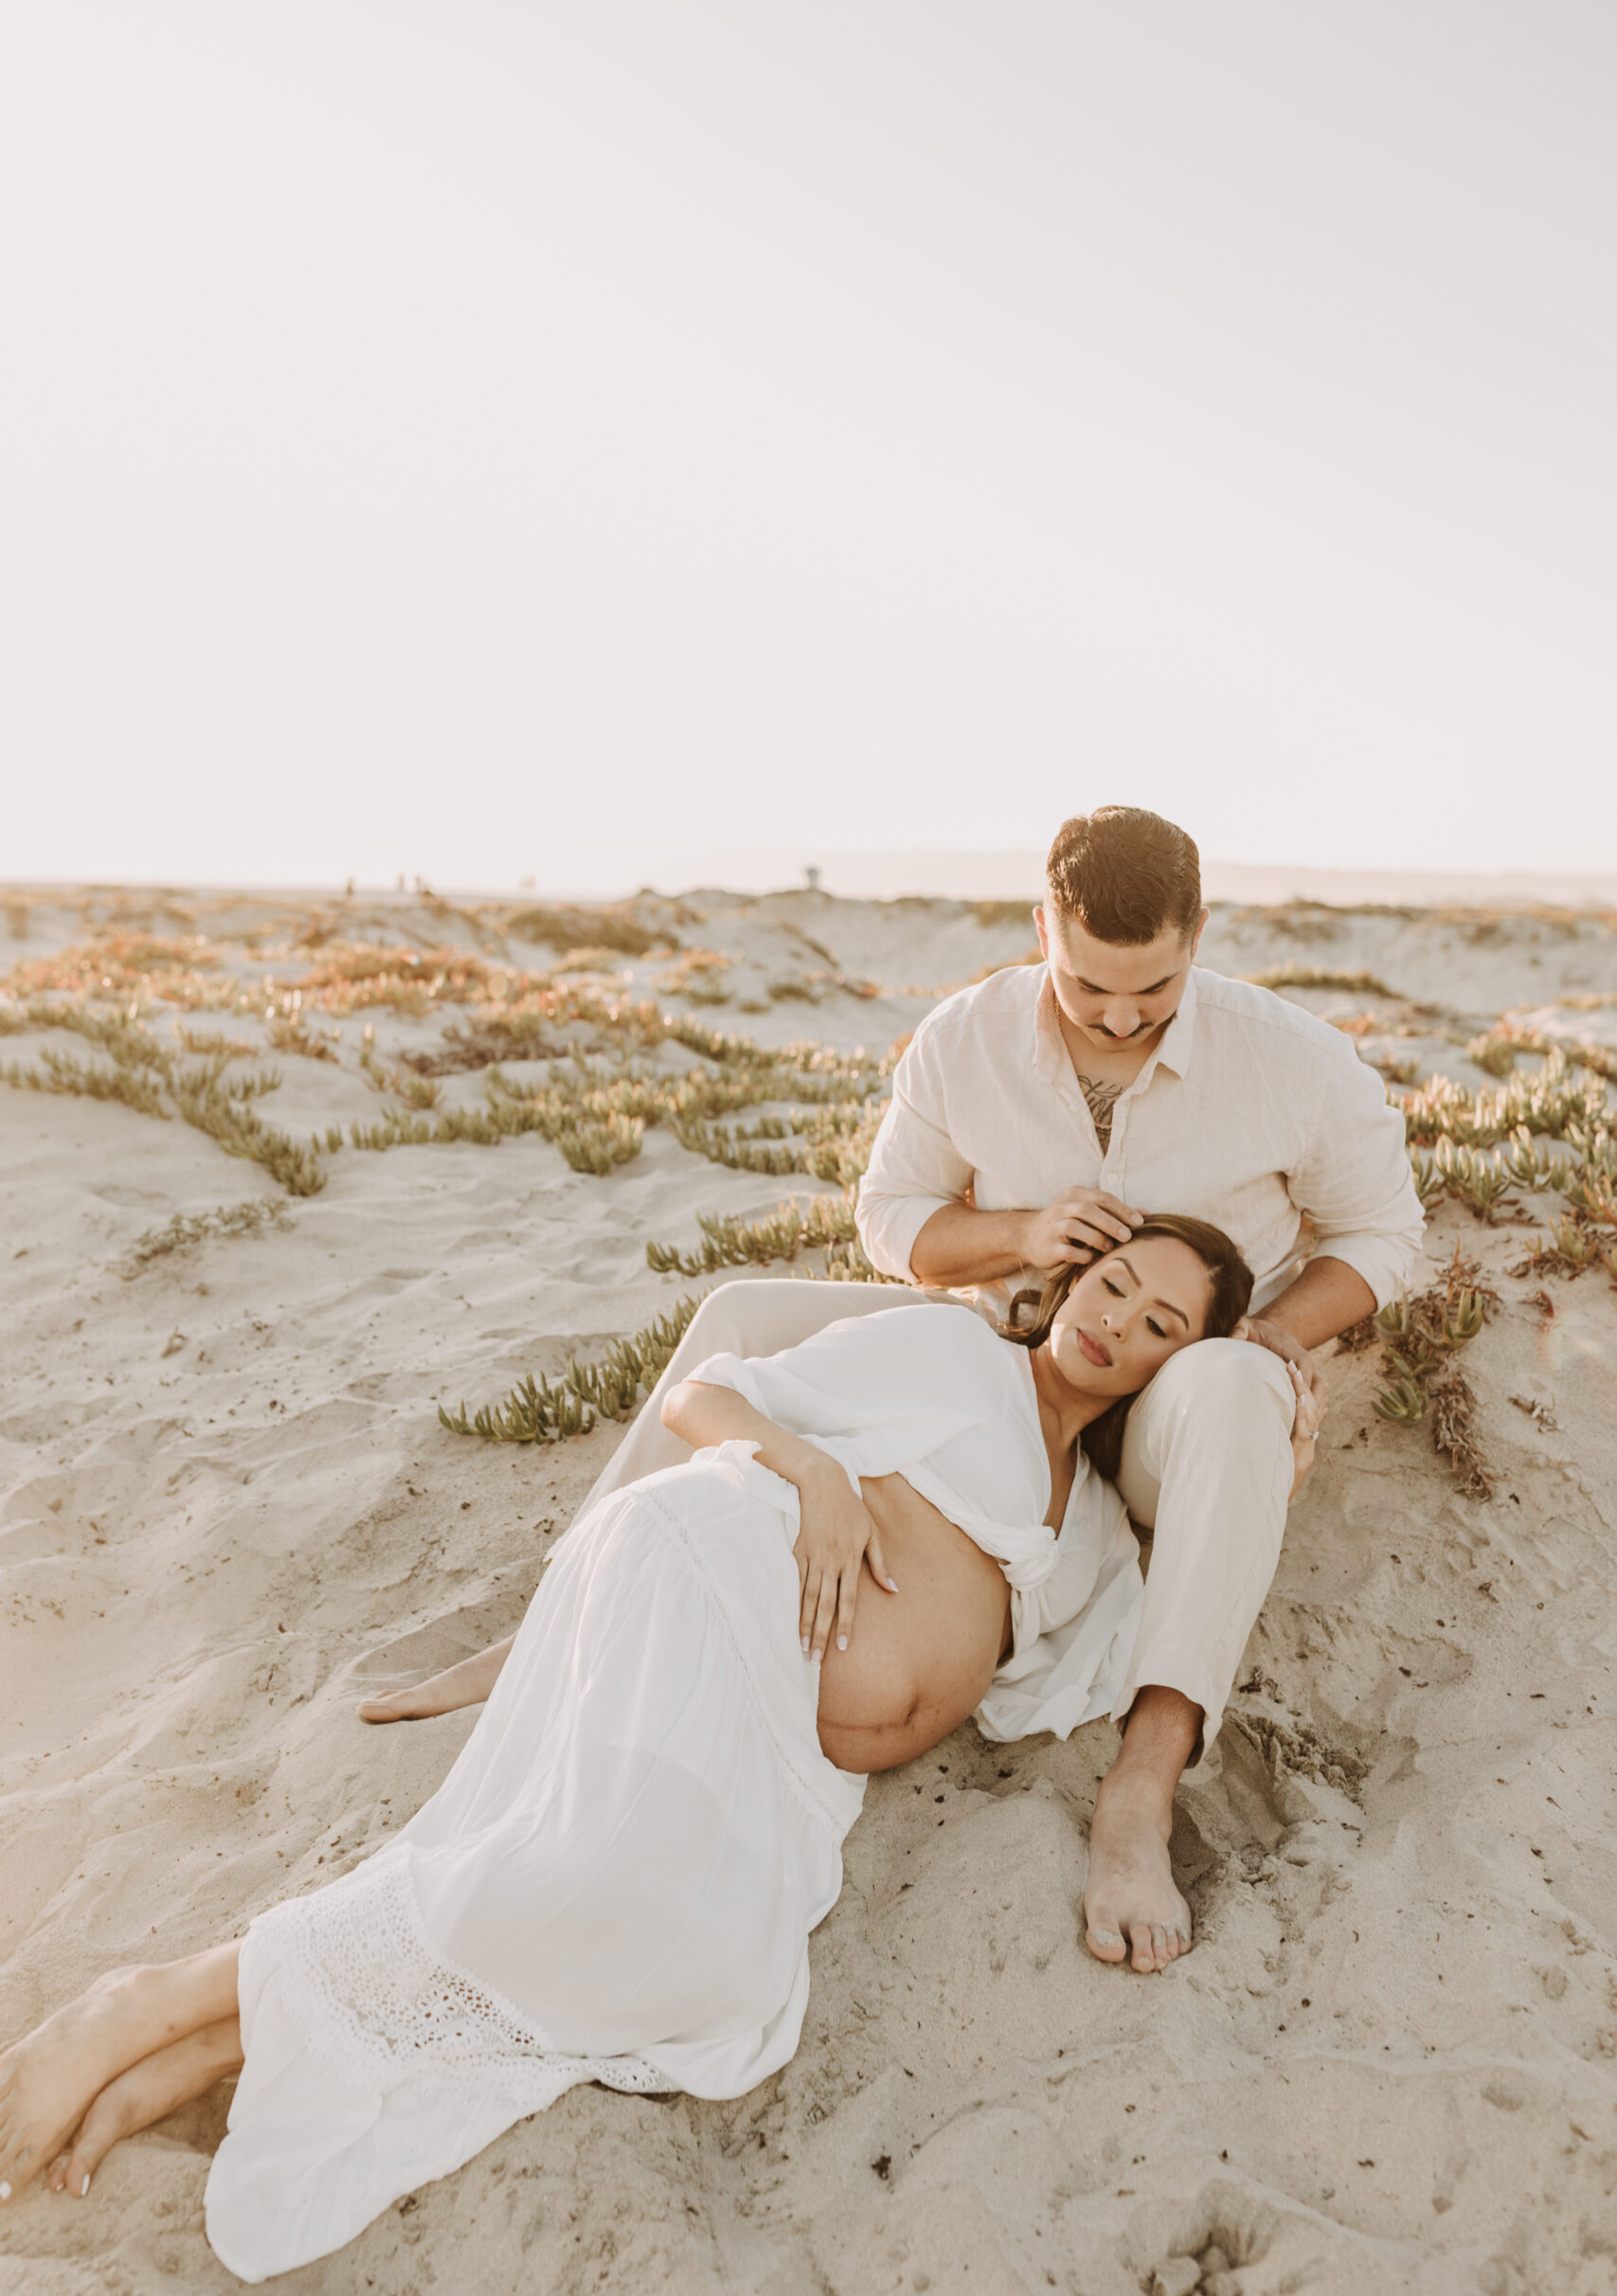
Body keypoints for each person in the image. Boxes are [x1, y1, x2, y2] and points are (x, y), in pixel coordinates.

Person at [0, 1222, 1319, 2281]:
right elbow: (706, 1394)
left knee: (690, 1967)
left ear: (1170, 1369)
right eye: (1112, 1282)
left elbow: (1101, 1648)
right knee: (590, 1890)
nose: (1116, 1321)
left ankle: (227, 2030)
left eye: (1159, 1325)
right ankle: (153, 2000)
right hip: (706, 1566)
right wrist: (807, 1474)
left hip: (776, 1730)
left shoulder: (1088, 1523)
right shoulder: (946, 1351)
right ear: (1066, 1274)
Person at [364, 807, 1423, 1967]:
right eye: (1089, 988)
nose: (1122, 1017)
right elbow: (889, 1221)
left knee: (1228, 1387)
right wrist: (1022, 1230)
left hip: (1172, 1401)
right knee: (740, 1313)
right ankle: (566, 1612)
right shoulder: (965, 1038)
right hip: (1011, 1374)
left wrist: (1263, 1337)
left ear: (1201, 934)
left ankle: (1143, 1778)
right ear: (1042, 930)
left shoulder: (1291, 1058)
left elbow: (1384, 1234)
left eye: (1156, 988)